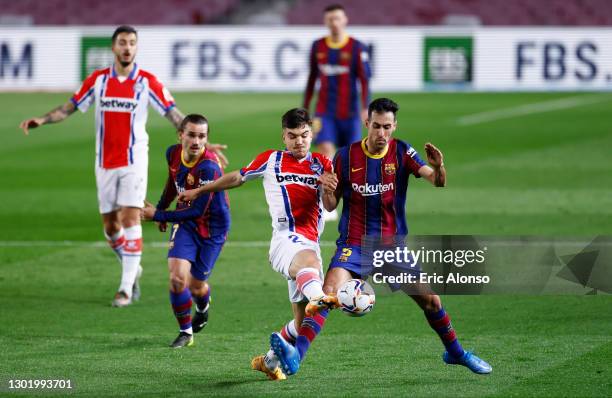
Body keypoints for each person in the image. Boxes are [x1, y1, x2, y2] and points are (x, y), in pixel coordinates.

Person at [278, 98, 493, 376]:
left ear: (394, 126)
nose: (381, 134)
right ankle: (296, 357)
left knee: (431, 301)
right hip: (353, 245)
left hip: (391, 247)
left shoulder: (402, 152)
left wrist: (439, 167)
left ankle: (457, 353)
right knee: (326, 297)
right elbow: (331, 206)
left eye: (387, 127)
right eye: (376, 126)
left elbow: (438, 182)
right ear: (367, 123)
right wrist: (328, 190)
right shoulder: (345, 156)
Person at [18, 25, 227, 307]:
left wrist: (202, 143)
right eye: (122, 43)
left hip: (134, 160)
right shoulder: (98, 81)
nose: (127, 47)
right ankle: (133, 266)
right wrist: (42, 120)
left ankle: (126, 287)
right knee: (110, 228)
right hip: (104, 161)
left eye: (132, 43)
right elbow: (69, 106)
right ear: (114, 47)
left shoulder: (146, 82)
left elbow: (173, 114)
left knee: (131, 216)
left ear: (136, 48)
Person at [177, 108, 339, 380]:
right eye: (292, 136)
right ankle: (318, 297)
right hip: (285, 241)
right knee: (314, 288)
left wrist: (327, 187)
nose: (299, 141)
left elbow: (331, 205)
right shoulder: (271, 160)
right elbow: (237, 177)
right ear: (283, 137)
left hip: (309, 245)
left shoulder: (323, 163)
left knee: (303, 325)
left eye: (304, 135)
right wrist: (200, 189)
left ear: (312, 134)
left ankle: (269, 361)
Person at [141, 114, 229, 348]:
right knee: (178, 279)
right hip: (185, 223)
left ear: (207, 139)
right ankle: (186, 332)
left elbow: (198, 211)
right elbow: (173, 183)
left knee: (196, 285)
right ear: (181, 135)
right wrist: (161, 207)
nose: (196, 141)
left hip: (212, 228)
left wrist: (158, 215)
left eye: (202, 136)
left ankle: (202, 305)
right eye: (191, 135)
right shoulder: (173, 153)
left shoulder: (209, 168)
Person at [303, 3, 371, 221]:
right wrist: (306, 107)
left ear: (345, 20)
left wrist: (365, 107)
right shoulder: (317, 46)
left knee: (350, 159)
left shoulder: (357, 47)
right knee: (325, 150)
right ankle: (327, 200)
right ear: (326, 22)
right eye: (330, 19)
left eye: (337, 18)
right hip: (324, 110)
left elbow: (364, 80)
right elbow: (312, 77)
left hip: (350, 112)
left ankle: (351, 202)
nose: (334, 23)